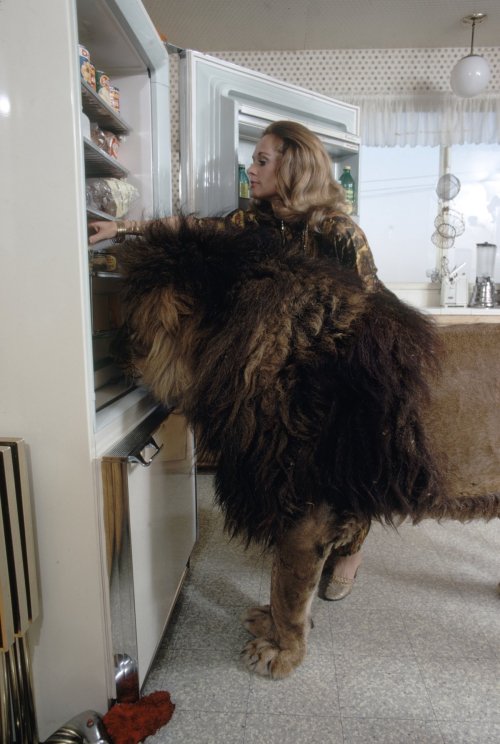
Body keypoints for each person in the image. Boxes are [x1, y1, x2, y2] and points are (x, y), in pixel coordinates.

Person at [89, 120, 380, 600]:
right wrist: (123, 227)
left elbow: (371, 306)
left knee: (346, 463)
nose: (252, 168)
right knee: (292, 470)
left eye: (262, 160)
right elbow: (193, 228)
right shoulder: (252, 223)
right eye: (255, 159)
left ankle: (351, 549)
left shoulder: (340, 230)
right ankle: (300, 551)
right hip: (281, 375)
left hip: (335, 368)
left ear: (293, 165)